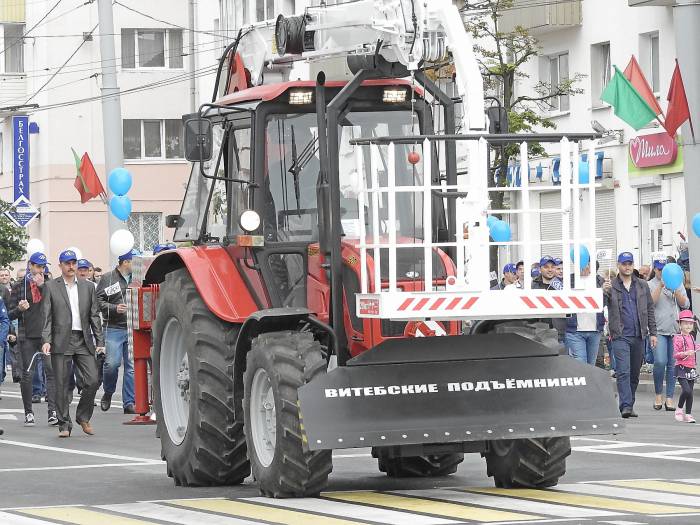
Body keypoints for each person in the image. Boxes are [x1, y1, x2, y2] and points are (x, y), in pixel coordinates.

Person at [41, 250, 105, 437]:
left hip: (83, 340)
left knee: (92, 380)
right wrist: (46, 340)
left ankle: (83, 416)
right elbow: (47, 316)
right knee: (61, 383)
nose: (71, 267)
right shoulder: (51, 286)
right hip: (61, 339)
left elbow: (94, 316)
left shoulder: (88, 287)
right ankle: (64, 424)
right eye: (67, 263)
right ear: (60, 265)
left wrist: (99, 340)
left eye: (73, 263)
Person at [604, 251, 657, 418]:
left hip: (639, 334)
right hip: (620, 335)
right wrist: (603, 292)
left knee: (634, 373)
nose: (627, 267)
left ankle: (629, 403)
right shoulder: (611, 285)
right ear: (618, 265)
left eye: (630, 264)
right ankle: (625, 405)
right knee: (623, 371)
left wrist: (653, 332)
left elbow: (649, 309)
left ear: (632, 265)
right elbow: (601, 307)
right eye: (624, 264)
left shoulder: (642, 284)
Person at [8, 252, 57, 426]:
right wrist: (20, 309)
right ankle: (29, 413)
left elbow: (58, 307)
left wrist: (43, 286)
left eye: (42, 267)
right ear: (30, 265)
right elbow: (9, 313)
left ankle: (52, 412)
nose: (39, 270)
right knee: (27, 375)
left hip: (46, 336)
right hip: (27, 335)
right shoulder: (20, 286)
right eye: (37, 266)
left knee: (51, 373)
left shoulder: (51, 285)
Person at [96, 249, 136, 414]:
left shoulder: (138, 277)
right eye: (134, 261)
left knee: (132, 367)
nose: (136, 264)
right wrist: (114, 308)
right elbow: (97, 300)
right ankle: (109, 392)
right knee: (111, 364)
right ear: (125, 262)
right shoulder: (108, 278)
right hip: (113, 327)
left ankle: (129, 402)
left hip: (134, 327)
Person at [648, 257, 690, 411]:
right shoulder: (650, 284)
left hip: (674, 330)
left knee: (673, 364)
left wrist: (676, 290)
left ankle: (670, 397)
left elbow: (685, 304)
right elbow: (650, 303)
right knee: (660, 361)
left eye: (663, 270)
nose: (661, 272)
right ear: (655, 269)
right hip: (658, 329)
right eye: (659, 270)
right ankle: (658, 393)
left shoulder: (677, 283)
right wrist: (661, 285)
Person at [565, 262, 605, 365]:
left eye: (589, 264)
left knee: (591, 365)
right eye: (584, 263)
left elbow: (604, 303)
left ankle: (589, 381)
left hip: (595, 330)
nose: (586, 267)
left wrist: (605, 292)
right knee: (580, 364)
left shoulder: (600, 281)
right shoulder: (568, 280)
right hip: (575, 331)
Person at [673, 310, 699, 423]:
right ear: (680, 324)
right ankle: (679, 409)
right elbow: (675, 354)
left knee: (690, 392)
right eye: (685, 323)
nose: (688, 326)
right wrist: (685, 353)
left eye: (690, 323)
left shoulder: (692, 338)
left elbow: (695, 346)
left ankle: (688, 414)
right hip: (681, 367)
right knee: (686, 390)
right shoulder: (677, 338)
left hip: (691, 367)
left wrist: (696, 348)